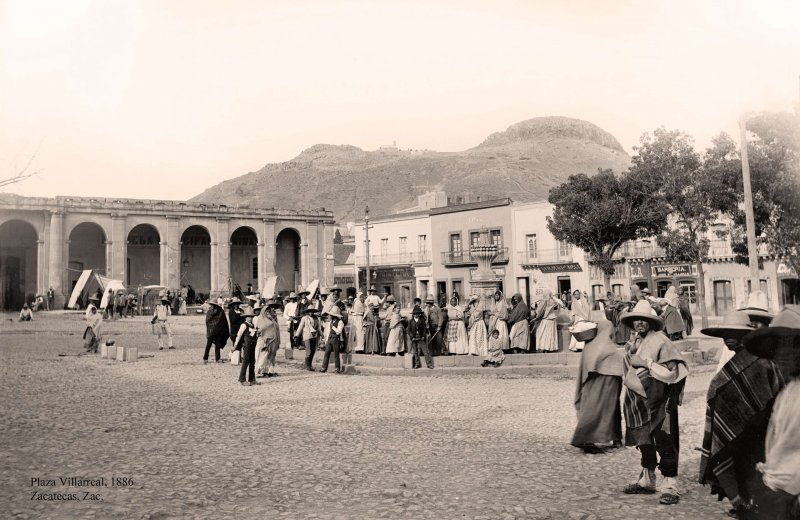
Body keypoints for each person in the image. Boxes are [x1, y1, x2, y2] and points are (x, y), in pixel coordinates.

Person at [699, 310, 787, 519]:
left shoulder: (760, 361)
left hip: (760, 429)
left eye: (734, 334)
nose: (728, 339)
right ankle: (745, 504)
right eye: (725, 334)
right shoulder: (735, 362)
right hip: (738, 432)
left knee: (755, 467)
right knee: (740, 466)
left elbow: (774, 393)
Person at [620, 299, 690, 505]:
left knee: (664, 440)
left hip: (660, 402)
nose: (639, 323)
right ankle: (647, 481)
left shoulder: (661, 341)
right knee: (644, 441)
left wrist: (646, 363)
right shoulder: (636, 342)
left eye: (644, 320)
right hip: (638, 402)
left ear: (652, 322)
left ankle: (670, 486)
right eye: (636, 320)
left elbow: (673, 373)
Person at [571, 315, 623, 453]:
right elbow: (617, 366)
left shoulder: (590, 344)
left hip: (591, 383)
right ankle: (584, 437)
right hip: (607, 382)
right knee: (605, 409)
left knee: (597, 408)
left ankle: (614, 437)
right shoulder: (607, 345)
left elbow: (587, 365)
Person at [233, 306, 260, 386]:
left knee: (252, 362)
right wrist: (235, 346)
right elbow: (238, 336)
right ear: (245, 317)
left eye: (251, 317)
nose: (250, 318)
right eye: (248, 317)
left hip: (253, 345)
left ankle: (252, 379)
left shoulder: (253, 325)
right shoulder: (244, 325)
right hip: (247, 345)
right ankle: (242, 379)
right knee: (245, 362)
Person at [255, 299, 282, 377]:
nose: (272, 309)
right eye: (270, 307)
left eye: (273, 307)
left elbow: (277, 329)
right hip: (266, 340)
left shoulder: (273, 318)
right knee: (264, 356)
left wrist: (278, 341)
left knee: (272, 356)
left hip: (274, 339)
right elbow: (259, 330)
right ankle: (263, 371)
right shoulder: (261, 319)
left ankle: (270, 371)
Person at [203, 299, 229, 364]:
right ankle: (205, 358)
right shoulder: (209, 312)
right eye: (211, 304)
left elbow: (223, 321)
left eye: (212, 305)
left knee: (217, 345)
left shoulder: (221, 312)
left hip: (218, 331)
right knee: (208, 345)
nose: (211, 306)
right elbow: (208, 321)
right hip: (211, 331)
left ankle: (217, 358)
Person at [320, 305, 345, 373]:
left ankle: (337, 368)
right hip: (330, 338)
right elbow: (327, 330)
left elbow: (338, 332)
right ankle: (324, 367)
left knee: (336, 354)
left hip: (336, 339)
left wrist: (333, 327)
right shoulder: (330, 322)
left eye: (331, 315)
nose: (330, 316)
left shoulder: (340, 322)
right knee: (326, 353)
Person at [295, 306, 320, 371]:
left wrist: (322, 335)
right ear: (307, 312)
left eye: (312, 311)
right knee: (308, 351)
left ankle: (310, 365)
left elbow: (319, 327)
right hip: (307, 336)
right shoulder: (305, 318)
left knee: (313, 351)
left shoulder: (316, 318)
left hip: (314, 336)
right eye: (310, 311)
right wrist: (296, 335)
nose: (311, 313)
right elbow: (300, 326)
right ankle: (307, 366)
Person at [408, 304, 433, 369]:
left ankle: (429, 364)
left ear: (419, 314)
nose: (416, 315)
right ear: (413, 314)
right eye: (415, 314)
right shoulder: (410, 321)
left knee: (425, 351)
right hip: (414, 338)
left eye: (417, 313)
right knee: (415, 351)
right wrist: (412, 337)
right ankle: (417, 364)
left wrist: (423, 336)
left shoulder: (422, 321)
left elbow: (424, 329)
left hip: (421, 337)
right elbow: (409, 331)